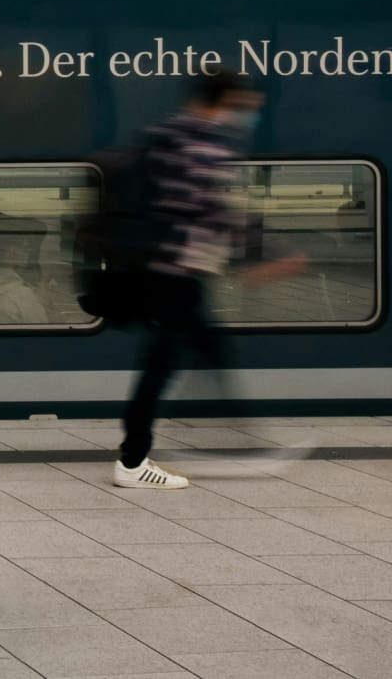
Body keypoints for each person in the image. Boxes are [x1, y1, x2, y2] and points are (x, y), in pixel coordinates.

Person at [113, 66, 271, 491]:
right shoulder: (207, 145)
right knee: (161, 365)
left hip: (158, 270)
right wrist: (257, 258)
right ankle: (133, 462)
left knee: (206, 347)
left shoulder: (166, 133)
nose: (250, 113)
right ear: (228, 100)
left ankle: (235, 440)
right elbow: (216, 210)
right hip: (177, 273)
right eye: (246, 104)